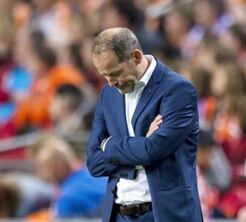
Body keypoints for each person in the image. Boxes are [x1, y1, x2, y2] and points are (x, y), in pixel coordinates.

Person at [87, 27, 202, 222]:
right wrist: (140, 146)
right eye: (104, 75)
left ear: (137, 57)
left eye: (115, 73)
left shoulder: (177, 90)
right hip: (118, 215)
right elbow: (94, 162)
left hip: (163, 215)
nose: (110, 82)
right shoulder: (108, 95)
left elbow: (153, 151)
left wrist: (109, 145)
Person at [30, 134, 107, 219]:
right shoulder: (97, 173)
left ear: (59, 166)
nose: (40, 173)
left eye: (43, 167)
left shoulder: (67, 198)